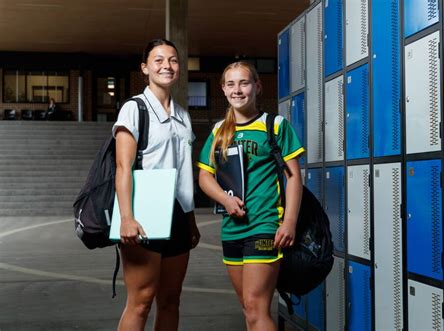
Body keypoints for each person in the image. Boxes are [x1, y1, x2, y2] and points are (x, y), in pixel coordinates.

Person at [197, 61, 304, 330]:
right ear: (223, 89)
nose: (238, 90)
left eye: (243, 83)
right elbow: (204, 176)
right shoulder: (219, 130)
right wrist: (225, 199)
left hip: (264, 225)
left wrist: (289, 221)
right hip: (232, 228)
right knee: (248, 308)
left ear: (257, 86)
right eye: (231, 84)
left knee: (256, 307)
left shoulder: (275, 125)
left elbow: (294, 177)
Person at [112, 38, 200, 331]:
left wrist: (190, 220)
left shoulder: (183, 116)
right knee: (141, 300)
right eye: (159, 60)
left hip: (178, 215)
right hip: (143, 213)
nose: (167, 66)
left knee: (171, 300)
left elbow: (185, 173)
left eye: (173, 60)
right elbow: (123, 166)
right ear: (145, 68)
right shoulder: (134, 109)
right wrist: (126, 218)